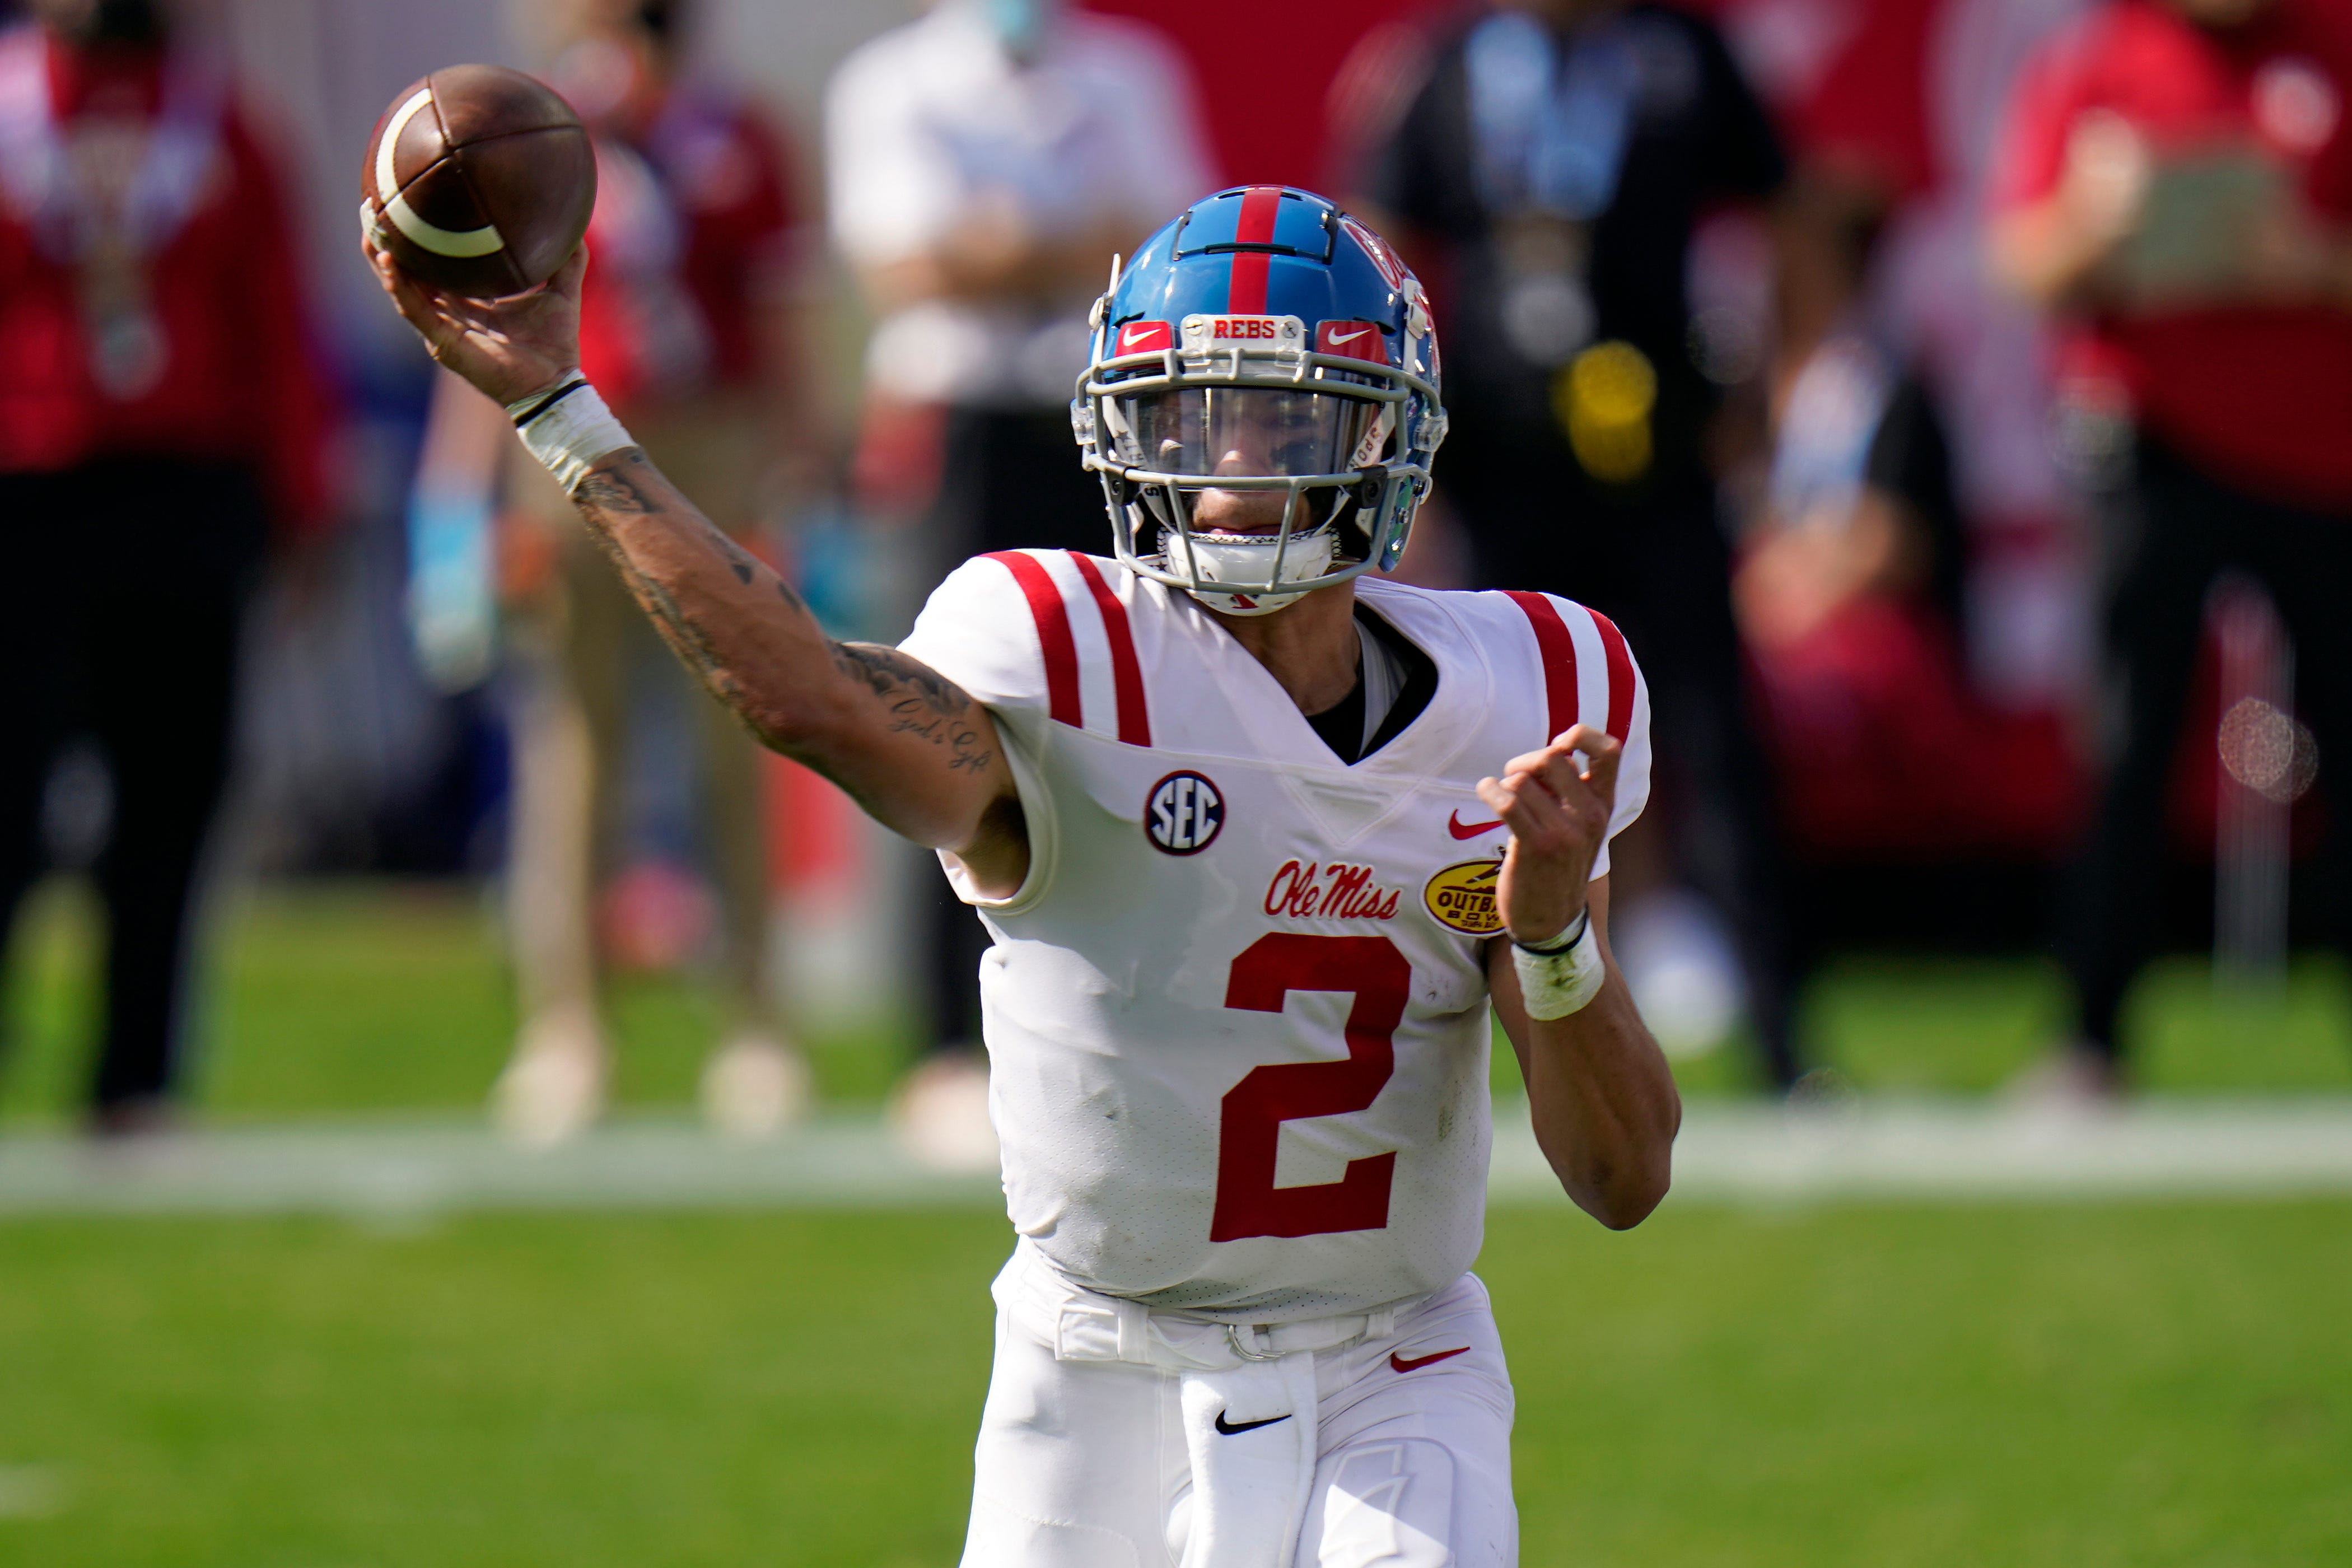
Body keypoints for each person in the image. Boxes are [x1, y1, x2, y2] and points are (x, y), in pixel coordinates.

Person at [369, 183, 1677, 1565]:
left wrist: (1551, 942)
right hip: (1097, 1368)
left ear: (1388, 437)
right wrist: (562, 409)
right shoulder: (1063, 657)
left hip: (1395, 1367)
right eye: (1192, 415)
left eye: (1284, 416)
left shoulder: (1527, 693)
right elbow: (804, 696)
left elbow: (1623, 1176)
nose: (1231, 468)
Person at [1345, 0, 1805, 1088]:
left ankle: (1786, 1042)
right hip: (1503, 453)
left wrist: (1772, 385)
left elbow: (1789, 206)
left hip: (1664, 447)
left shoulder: (1680, 52)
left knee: (1715, 736)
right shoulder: (1443, 67)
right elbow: (1377, 237)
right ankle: (1475, 1043)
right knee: (1492, 739)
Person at [412, 0, 819, 1143]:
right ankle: (569, 1029)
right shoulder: (532, 135)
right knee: (571, 746)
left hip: (711, 443)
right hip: (570, 435)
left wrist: (797, 470)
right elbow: (482, 326)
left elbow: (779, 319)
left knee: (742, 737)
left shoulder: (738, 139)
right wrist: (460, 499)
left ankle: (756, 1020)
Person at [824, 0, 1215, 1153]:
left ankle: (1135, 1015)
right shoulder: (892, 81)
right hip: (962, 425)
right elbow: (910, 266)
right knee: (940, 711)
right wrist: (1073, 241)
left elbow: (1169, 250)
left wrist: (1008, 242)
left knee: (1129, 709)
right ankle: (945, 1041)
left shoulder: (1133, 70)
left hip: (1101, 421)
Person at [1990, 0, 2352, 1095]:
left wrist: (2309, 259)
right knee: (2126, 751)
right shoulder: (2101, 62)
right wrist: (2107, 228)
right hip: (2152, 450)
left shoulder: (2332, 45)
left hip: (2321, 459)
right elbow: (2019, 260)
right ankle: (2091, 1037)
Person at [0, 0, 336, 1133]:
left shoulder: (221, 123)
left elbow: (277, 322)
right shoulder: (13, 111)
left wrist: (300, 501)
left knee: (170, 793)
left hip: (184, 493)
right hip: (26, 487)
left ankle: (135, 1077)